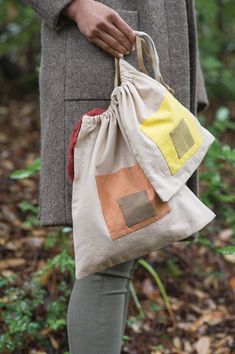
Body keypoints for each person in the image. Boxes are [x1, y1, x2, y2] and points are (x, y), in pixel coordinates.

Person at [23, 0, 209, 353]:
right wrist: (73, 5)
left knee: (120, 255)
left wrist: (189, 78)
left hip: (146, 79)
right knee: (110, 257)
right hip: (103, 68)